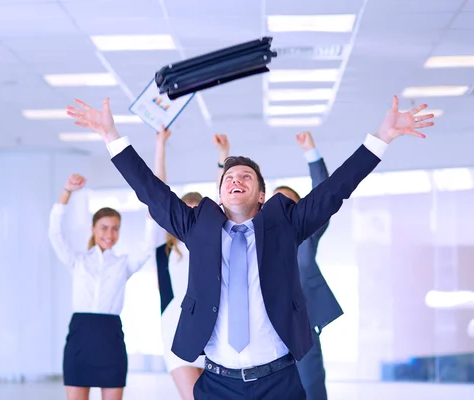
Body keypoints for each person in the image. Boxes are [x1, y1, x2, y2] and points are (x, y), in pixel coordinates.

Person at [66, 95, 434, 399]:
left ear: (260, 193)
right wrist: (110, 134)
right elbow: (150, 190)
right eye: (229, 177)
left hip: (279, 382)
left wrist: (382, 137)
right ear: (220, 194)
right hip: (216, 384)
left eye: (246, 176)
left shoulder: (286, 225)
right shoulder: (196, 227)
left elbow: (334, 190)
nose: (236, 180)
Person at [218, 130, 341, 400]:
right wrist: (224, 159)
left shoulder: (306, 235)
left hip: (301, 328)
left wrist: (311, 151)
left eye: (287, 203)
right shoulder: (253, 239)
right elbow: (227, 204)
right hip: (263, 332)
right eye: (275, 203)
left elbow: (325, 193)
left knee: (311, 388)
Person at [48, 173, 153, 400]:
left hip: (111, 339)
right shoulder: (78, 261)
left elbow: (147, 246)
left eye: (115, 228)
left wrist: (150, 204)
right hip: (80, 339)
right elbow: (55, 234)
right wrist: (66, 192)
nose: (109, 234)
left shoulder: (123, 264)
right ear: (93, 229)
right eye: (104, 227)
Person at [150, 125, 222, 399]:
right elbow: (157, 194)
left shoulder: (211, 245)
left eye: (197, 214)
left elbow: (222, 203)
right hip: (175, 333)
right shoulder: (163, 247)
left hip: (212, 334)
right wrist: (160, 146)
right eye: (186, 213)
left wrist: (222, 155)